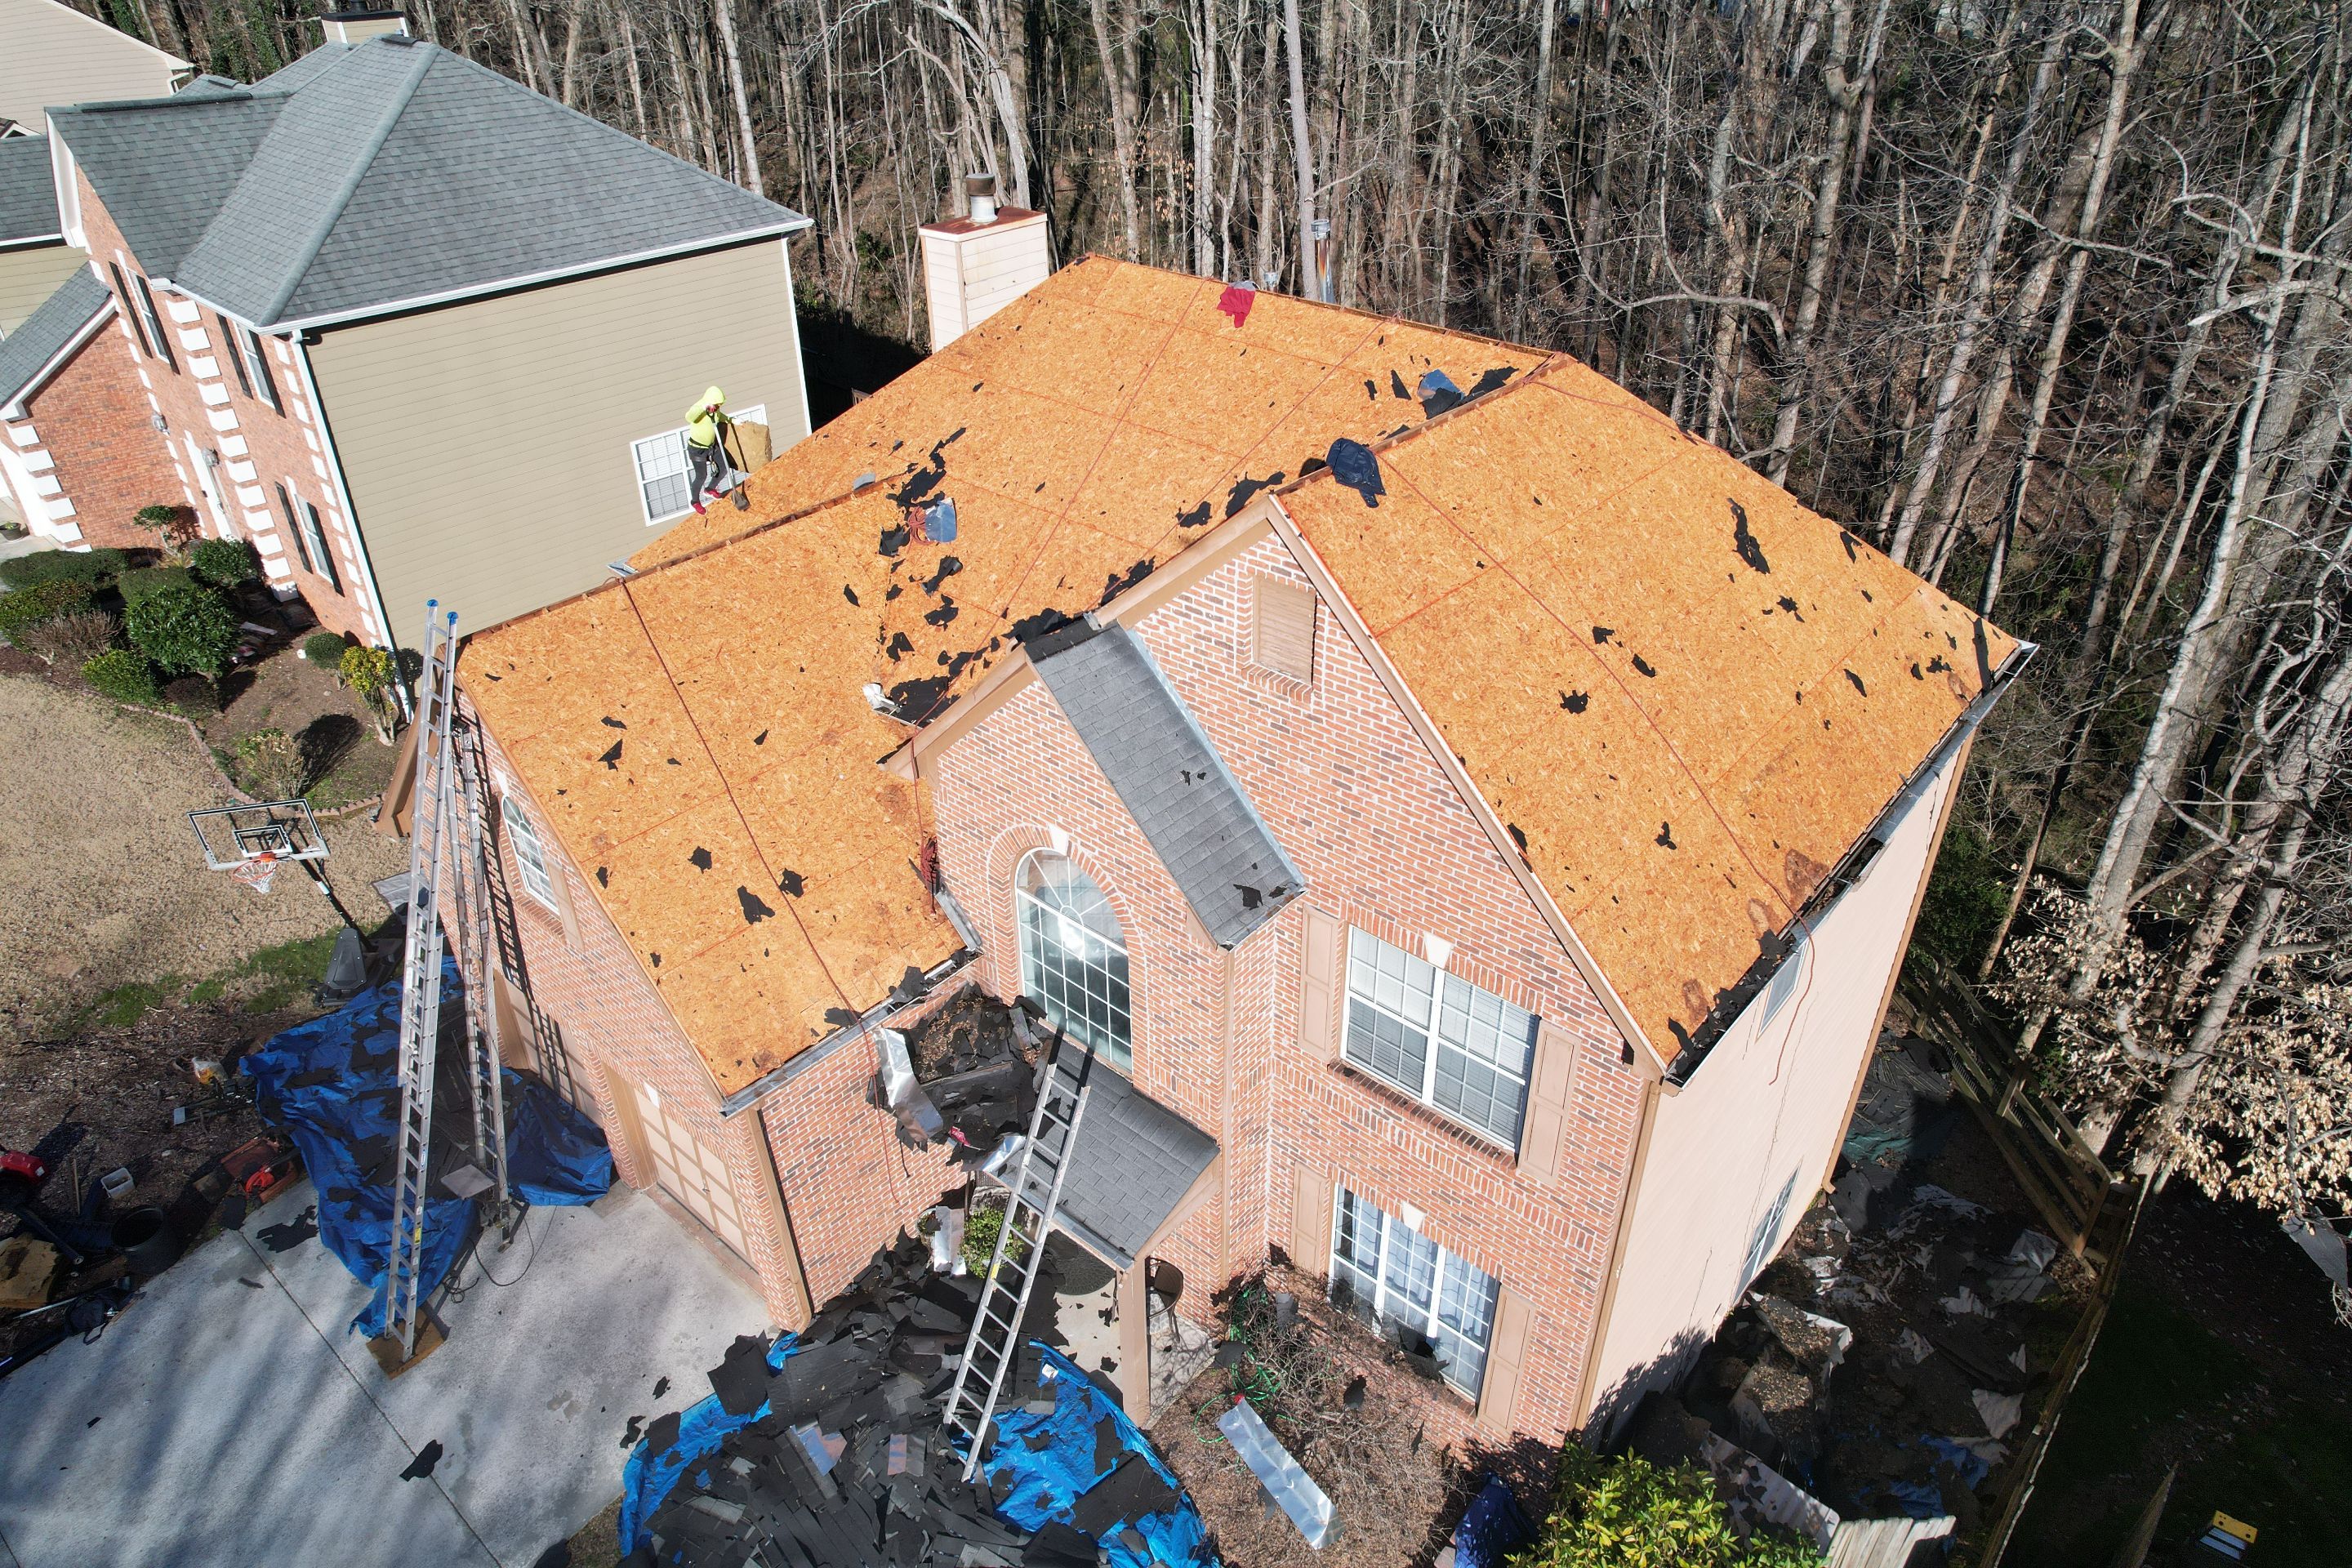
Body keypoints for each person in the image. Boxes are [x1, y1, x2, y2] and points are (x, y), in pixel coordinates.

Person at [684, 385, 733, 514]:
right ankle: (695, 501)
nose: (718, 408)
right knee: (701, 476)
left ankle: (710, 489)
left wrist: (733, 421)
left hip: (711, 446)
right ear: (710, 401)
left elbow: (720, 417)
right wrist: (703, 407)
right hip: (697, 449)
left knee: (723, 467)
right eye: (717, 405)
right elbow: (689, 417)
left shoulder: (715, 410)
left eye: (719, 405)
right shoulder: (699, 407)